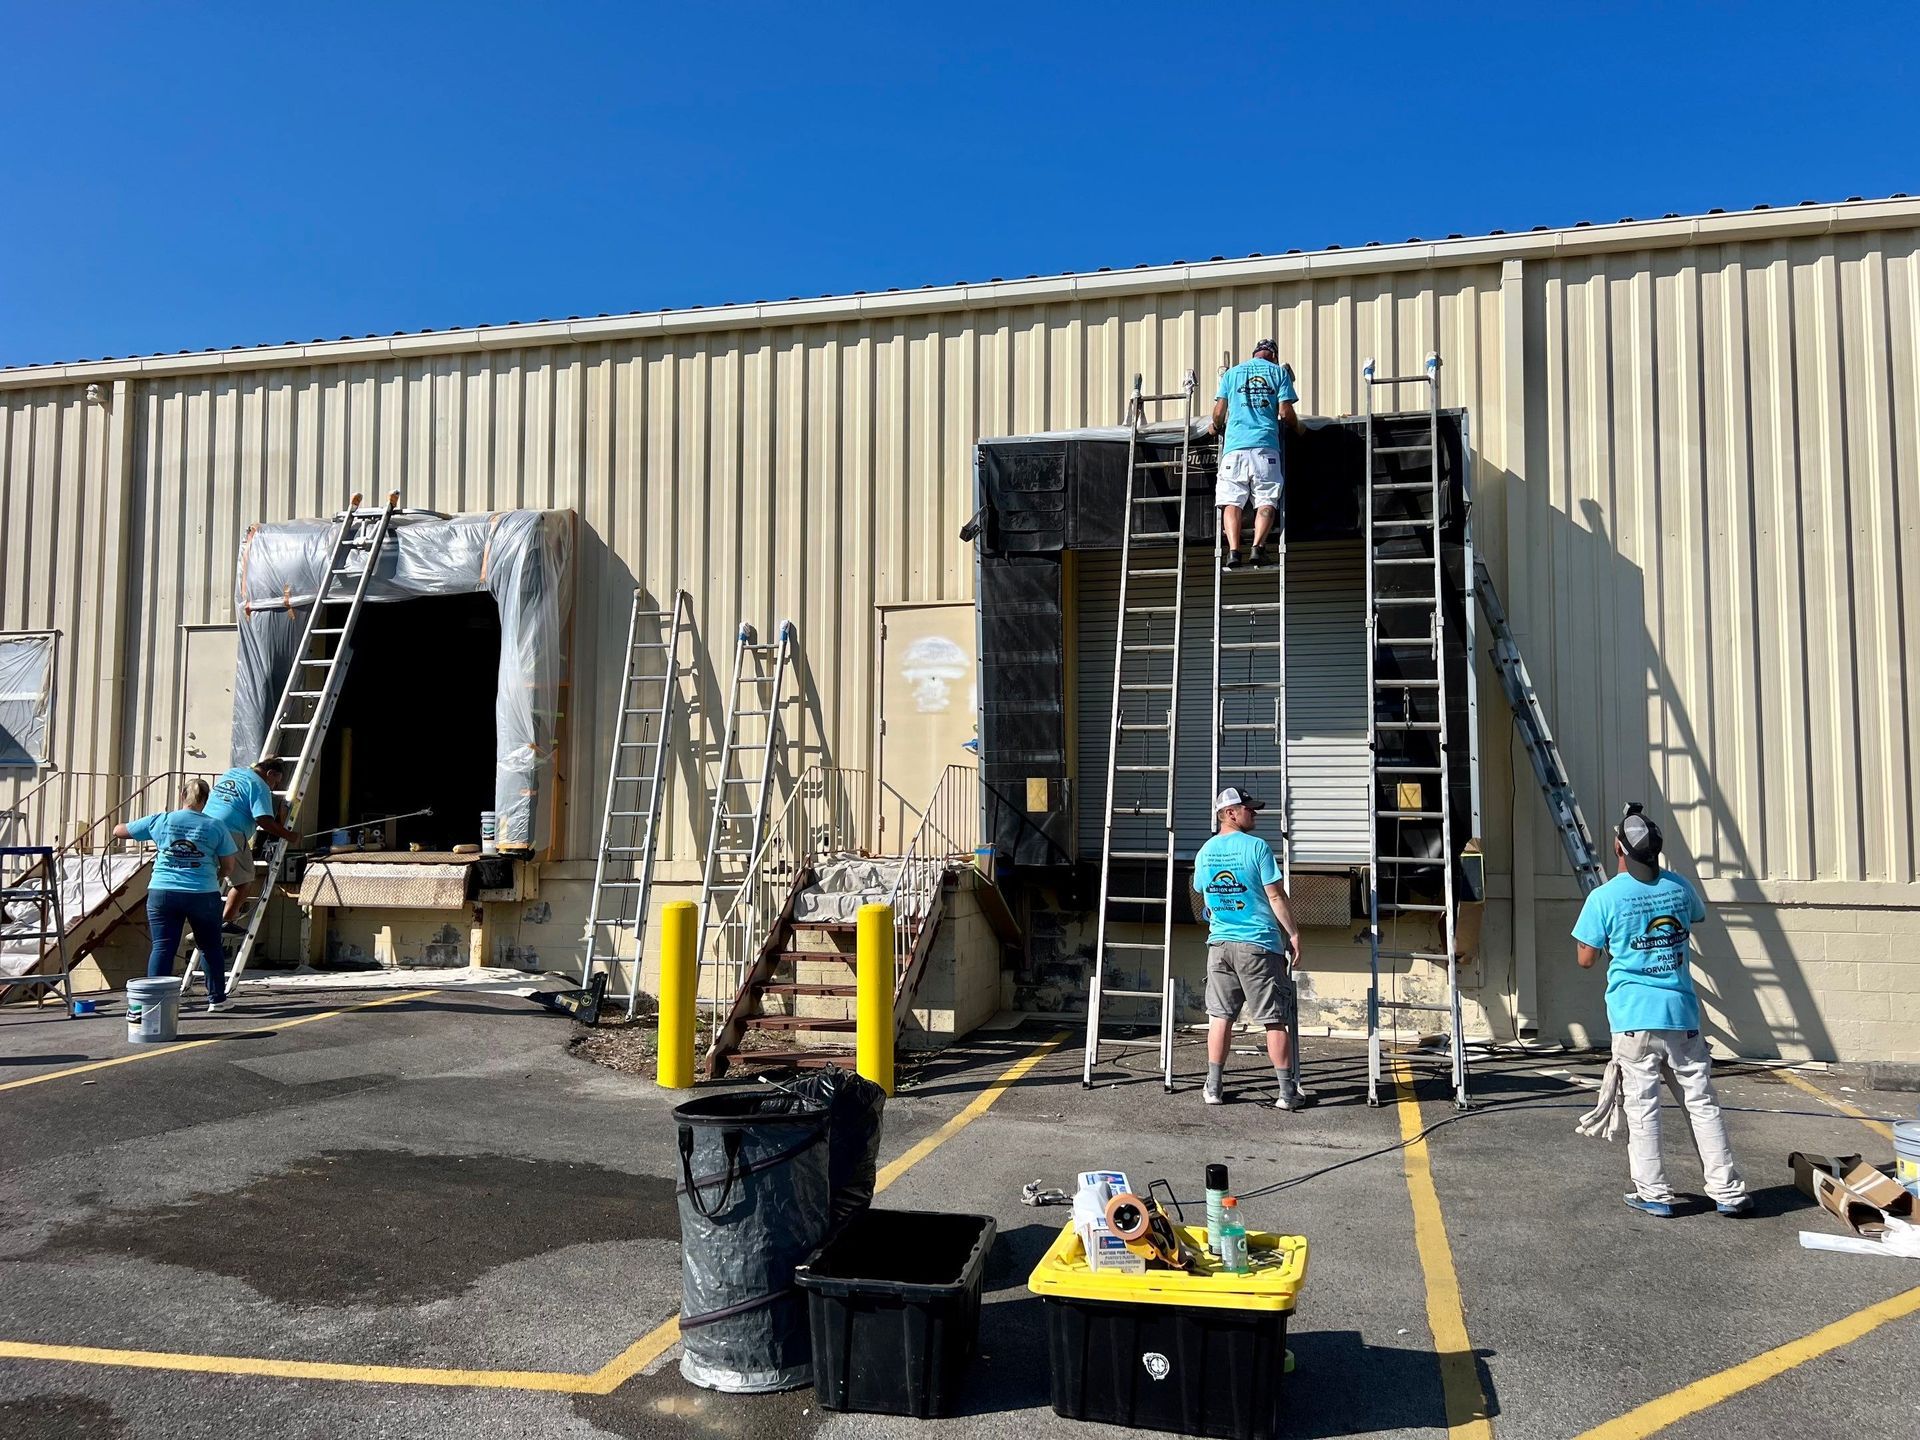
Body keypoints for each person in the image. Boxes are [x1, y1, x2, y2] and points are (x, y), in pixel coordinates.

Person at [1572, 803, 1752, 1218]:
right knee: (1702, 1102)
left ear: (1619, 847)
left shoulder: (1604, 897)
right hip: (1682, 1015)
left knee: (1643, 1105)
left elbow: (1585, 959)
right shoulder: (1678, 887)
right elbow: (1696, 916)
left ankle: (1654, 1192)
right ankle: (1728, 1191)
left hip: (1634, 1017)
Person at [1195, 787, 1305, 1110]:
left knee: (1220, 1018)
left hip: (1219, 945)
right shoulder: (1257, 848)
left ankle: (1213, 1087)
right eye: (1248, 809)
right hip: (1258, 944)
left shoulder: (1205, 851)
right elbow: (1276, 896)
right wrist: (1294, 933)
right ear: (1230, 813)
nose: (1254, 813)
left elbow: (1202, 888)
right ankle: (1287, 1093)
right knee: (1273, 1019)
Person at [114, 777, 242, 1013]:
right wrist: (217, 874)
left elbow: (119, 831)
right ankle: (217, 1000)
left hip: (162, 891)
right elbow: (229, 866)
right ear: (205, 800)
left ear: (182, 796)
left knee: (163, 947)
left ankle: (155, 1003)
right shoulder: (215, 826)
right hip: (202, 892)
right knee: (209, 946)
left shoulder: (161, 820)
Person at [1211, 340, 1304, 570]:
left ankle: (1233, 551)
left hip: (1235, 449)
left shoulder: (1231, 374)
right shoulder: (1278, 372)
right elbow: (1285, 411)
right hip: (1265, 448)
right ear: (1273, 356)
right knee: (1266, 499)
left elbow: (1219, 413)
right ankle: (1258, 549)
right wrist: (1299, 428)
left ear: (1254, 354)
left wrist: (1215, 425)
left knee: (1231, 501)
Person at [203, 759, 298, 931]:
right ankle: (225, 922)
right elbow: (263, 819)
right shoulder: (260, 785)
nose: (274, 786)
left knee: (209, 877)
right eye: (275, 781)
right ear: (270, 774)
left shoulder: (231, 773)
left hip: (204, 828)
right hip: (230, 833)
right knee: (244, 881)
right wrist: (289, 835)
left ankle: (202, 921)